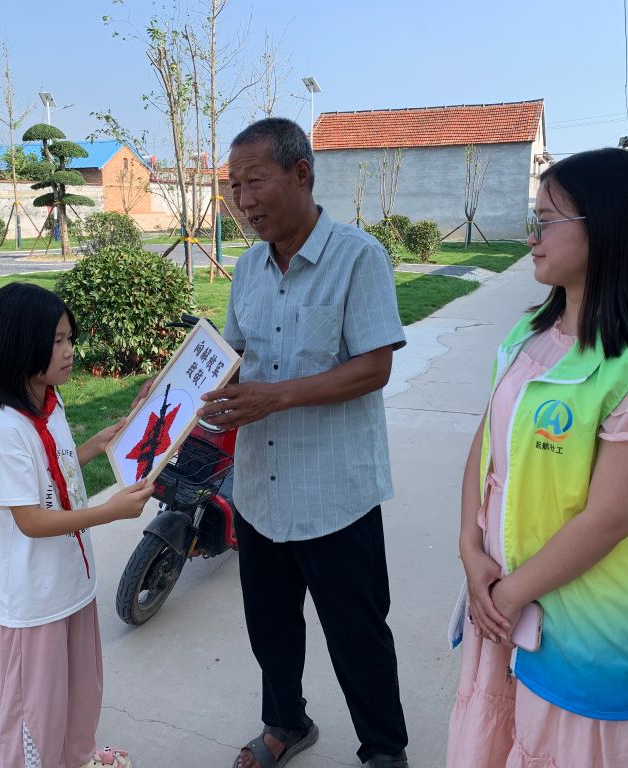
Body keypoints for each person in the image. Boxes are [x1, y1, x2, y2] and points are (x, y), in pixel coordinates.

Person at [446, 148, 628, 767]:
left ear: (606, 225)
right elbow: (486, 445)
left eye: (546, 221)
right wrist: (470, 550)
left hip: (589, 628)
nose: (531, 238)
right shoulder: (529, 337)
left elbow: (609, 519)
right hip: (504, 602)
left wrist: (509, 594)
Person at [200, 117, 410, 768]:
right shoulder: (247, 269)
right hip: (260, 491)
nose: (243, 201)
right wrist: (185, 386)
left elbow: (374, 367)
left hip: (335, 492)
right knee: (271, 628)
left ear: (301, 174)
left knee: (357, 632)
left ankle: (384, 749)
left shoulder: (359, 258)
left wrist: (278, 396)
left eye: (254, 182)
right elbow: (236, 354)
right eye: (234, 187)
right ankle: (286, 724)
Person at [0, 282, 155, 768]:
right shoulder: (5, 429)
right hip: (33, 600)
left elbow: (59, 468)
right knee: (36, 713)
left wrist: (99, 443)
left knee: (81, 690)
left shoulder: (49, 403)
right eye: (57, 341)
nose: (70, 350)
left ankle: (79, 756)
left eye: (70, 338)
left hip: (70, 584)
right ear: (18, 345)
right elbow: (30, 519)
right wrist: (110, 511)